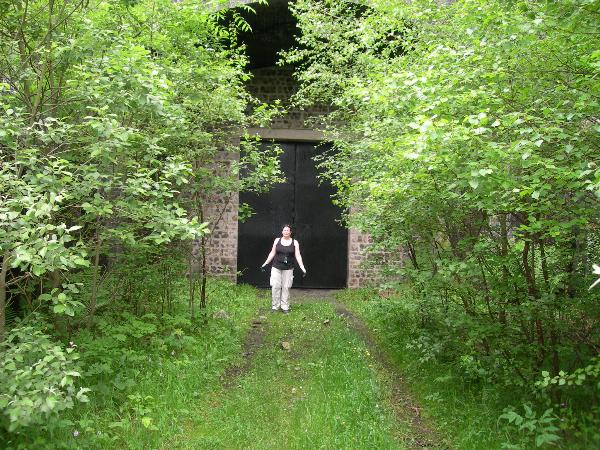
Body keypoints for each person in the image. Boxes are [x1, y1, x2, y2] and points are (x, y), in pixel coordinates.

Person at [260, 224, 306, 313]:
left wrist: (302, 267)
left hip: (288, 269)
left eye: (287, 230)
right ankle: (275, 306)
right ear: (282, 232)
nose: (286, 232)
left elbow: (298, 255)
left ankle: (285, 306)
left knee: (286, 287)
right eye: (284, 230)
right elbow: (272, 253)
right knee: (275, 286)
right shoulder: (277, 240)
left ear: (290, 232)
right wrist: (265, 263)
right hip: (276, 267)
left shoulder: (295, 242)